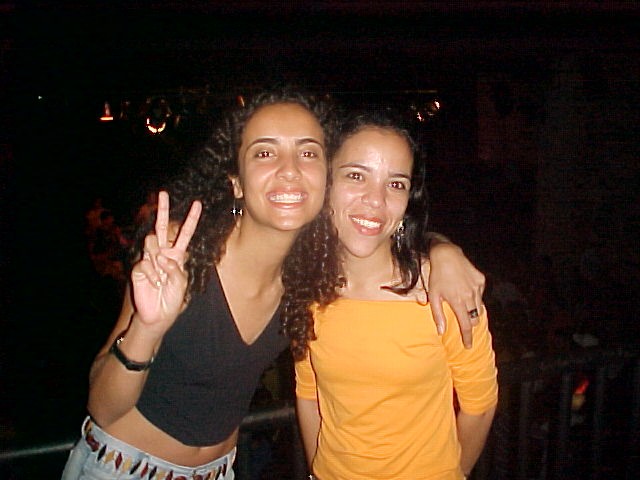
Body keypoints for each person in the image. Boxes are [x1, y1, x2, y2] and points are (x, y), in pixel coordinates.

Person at [62, 88, 484, 480]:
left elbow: (383, 234)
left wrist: (442, 250)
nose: (289, 170)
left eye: (308, 153)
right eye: (265, 153)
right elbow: (103, 409)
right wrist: (147, 327)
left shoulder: (308, 277)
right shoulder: (182, 253)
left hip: (221, 471)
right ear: (236, 181)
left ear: (325, 180)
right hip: (121, 469)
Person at [295, 110, 498, 479]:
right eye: (357, 176)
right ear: (325, 183)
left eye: (395, 184)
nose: (376, 200)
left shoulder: (441, 288)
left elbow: (479, 405)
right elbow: (309, 394)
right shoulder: (308, 289)